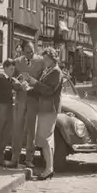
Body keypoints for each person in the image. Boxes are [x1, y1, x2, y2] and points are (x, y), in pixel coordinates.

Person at [23, 47, 63, 180]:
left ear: (53, 59)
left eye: (47, 59)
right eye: (44, 59)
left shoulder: (56, 72)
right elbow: (41, 88)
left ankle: (49, 169)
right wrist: (29, 88)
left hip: (49, 109)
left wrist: (34, 82)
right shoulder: (49, 70)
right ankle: (49, 167)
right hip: (44, 108)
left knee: (44, 139)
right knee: (47, 139)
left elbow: (48, 90)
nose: (45, 62)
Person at [7, 41, 45, 169]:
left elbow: (45, 78)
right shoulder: (17, 62)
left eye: (32, 51)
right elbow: (11, 78)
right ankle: (14, 158)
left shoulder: (41, 61)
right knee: (17, 129)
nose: (31, 54)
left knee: (31, 131)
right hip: (20, 99)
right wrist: (17, 85)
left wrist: (36, 85)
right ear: (22, 52)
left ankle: (29, 159)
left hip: (34, 99)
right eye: (28, 52)